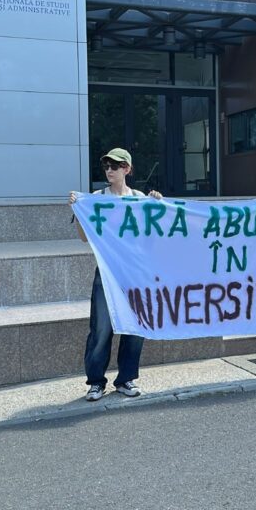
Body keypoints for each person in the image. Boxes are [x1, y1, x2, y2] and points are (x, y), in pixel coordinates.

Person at [68, 148, 162, 402]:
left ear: (127, 169)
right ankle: (96, 382)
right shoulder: (96, 198)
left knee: (135, 327)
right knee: (101, 329)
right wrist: (79, 212)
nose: (110, 169)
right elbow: (84, 237)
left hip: (134, 274)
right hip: (107, 272)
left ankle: (126, 379)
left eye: (116, 165)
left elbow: (149, 238)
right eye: (106, 165)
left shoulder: (140, 198)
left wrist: (156, 207)